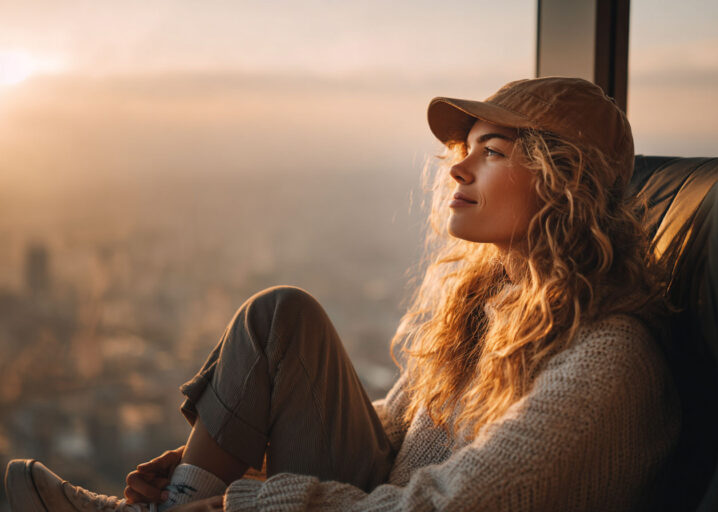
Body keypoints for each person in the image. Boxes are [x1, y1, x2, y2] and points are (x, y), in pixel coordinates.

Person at [4, 76, 681, 512]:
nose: (460, 167)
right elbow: (398, 433)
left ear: (566, 181)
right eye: (465, 149)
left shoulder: (609, 362)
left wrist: (248, 502)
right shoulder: (491, 306)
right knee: (280, 317)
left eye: (494, 151)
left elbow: (447, 505)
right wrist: (222, 466)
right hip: (377, 496)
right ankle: (170, 503)